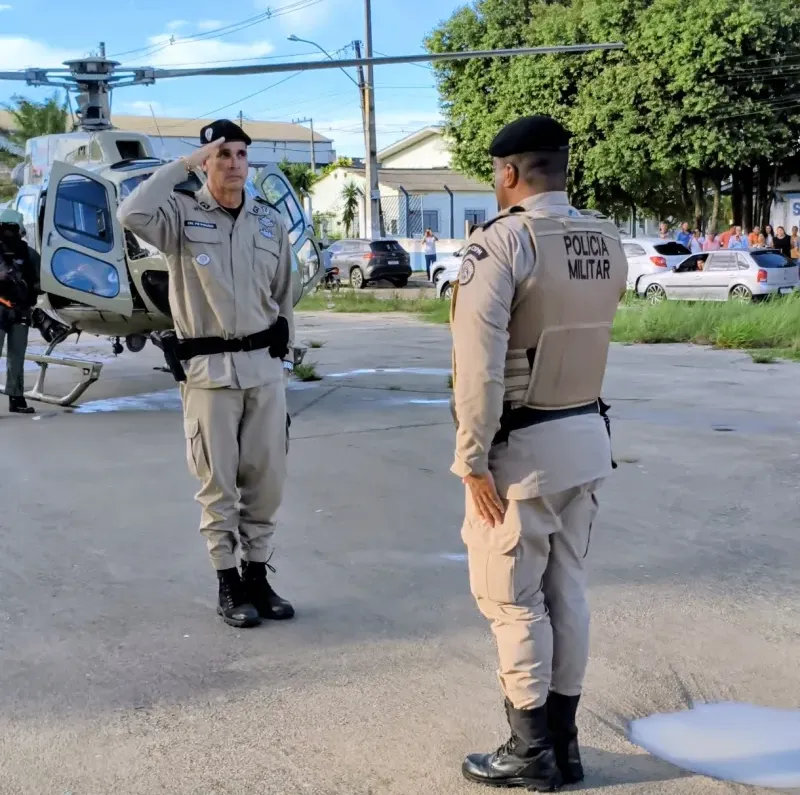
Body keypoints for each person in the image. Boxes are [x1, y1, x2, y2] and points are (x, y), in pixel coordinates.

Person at [449, 115, 627, 790]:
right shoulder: (603, 237)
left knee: (514, 601)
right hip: (585, 438)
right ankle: (564, 743)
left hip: (521, 451)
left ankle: (529, 752)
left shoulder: (501, 244)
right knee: (568, 592)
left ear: (508, 173)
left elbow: (480, 369)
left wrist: (470, 459)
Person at [117, 119, 296, 629]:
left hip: (263, 372)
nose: (234, 163)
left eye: (241, 154)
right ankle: (227, 582)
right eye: (223, 155)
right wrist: (182, 167)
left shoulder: (268, 221)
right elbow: (131, 211)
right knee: (217, 486)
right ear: (206, 161)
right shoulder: (179, 214)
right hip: (209, 374)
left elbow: (284, 291)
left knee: (266, 483)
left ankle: (257, 576)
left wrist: (286, 348)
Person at [0, 208, 40, 414]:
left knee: (17, 356)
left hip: (21, 310)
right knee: (16, 356)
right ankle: (16, 398)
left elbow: (42, 280)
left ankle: (16, 398)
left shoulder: (28, 254)